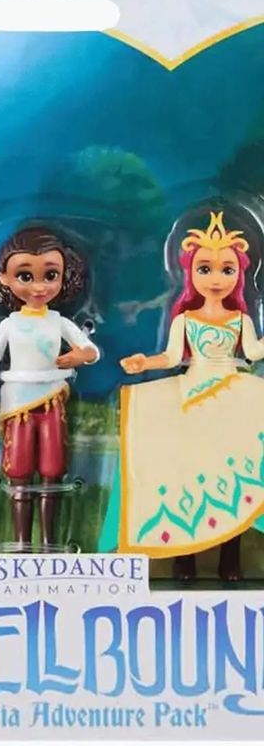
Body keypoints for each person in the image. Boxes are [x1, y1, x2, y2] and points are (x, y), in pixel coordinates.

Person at [118, 211, 264, 581]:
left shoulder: (240, 320)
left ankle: (230, 558)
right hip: (191, 395)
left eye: (226, 270)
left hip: (232, 397)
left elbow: (253, 352)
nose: (216, 278)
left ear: (238, 275)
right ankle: (184, 557)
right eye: (205, 269)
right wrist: (144, 362)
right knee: (188, 474)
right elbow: (171, 357)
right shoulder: (185, 320)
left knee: (228, 475)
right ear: (190, 274)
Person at [0, 227, 99, 549]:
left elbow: (90, 350)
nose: (39, 286)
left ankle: (48, 542)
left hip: (52, 399)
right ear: (4, 279)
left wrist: (79, 356)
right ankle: (21, 542)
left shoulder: (59, 321)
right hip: (18, 401)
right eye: (25, 276)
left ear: (63, 276)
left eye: (50, 275)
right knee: (18, 469)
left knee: (52, 469)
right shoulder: (10, 324)